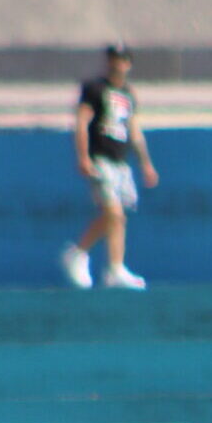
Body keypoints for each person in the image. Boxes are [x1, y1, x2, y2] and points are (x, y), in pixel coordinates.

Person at [60, 43, 158, 290]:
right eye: (113, 59)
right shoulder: (95, 89)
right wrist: (83, 156)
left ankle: (113, 267)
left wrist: (146, 163)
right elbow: (81, 122)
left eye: (122, 59)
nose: (118, 64)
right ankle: (82, 254)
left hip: (120, 162)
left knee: (118, 217)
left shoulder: (128, 95)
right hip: (100, 158)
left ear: (129, 64)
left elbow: (134, 131)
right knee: (113, 213)